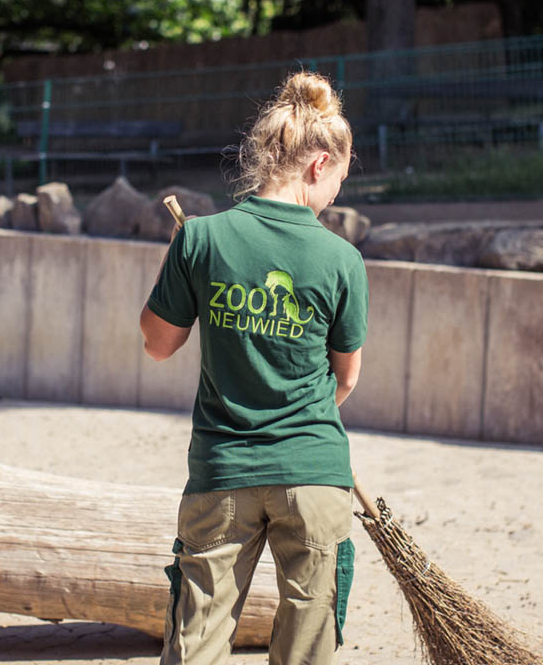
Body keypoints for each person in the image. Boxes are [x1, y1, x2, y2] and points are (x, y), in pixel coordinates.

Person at [139, 70, 369, 665]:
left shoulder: (202, 239)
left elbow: (157, 344)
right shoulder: (342, 259)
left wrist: (188, 271)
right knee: (307, 649)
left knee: (196, 643)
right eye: (339, 180)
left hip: (222, 473)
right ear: (319, 165)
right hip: (314, 471)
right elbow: (345, 379)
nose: (336, 195)